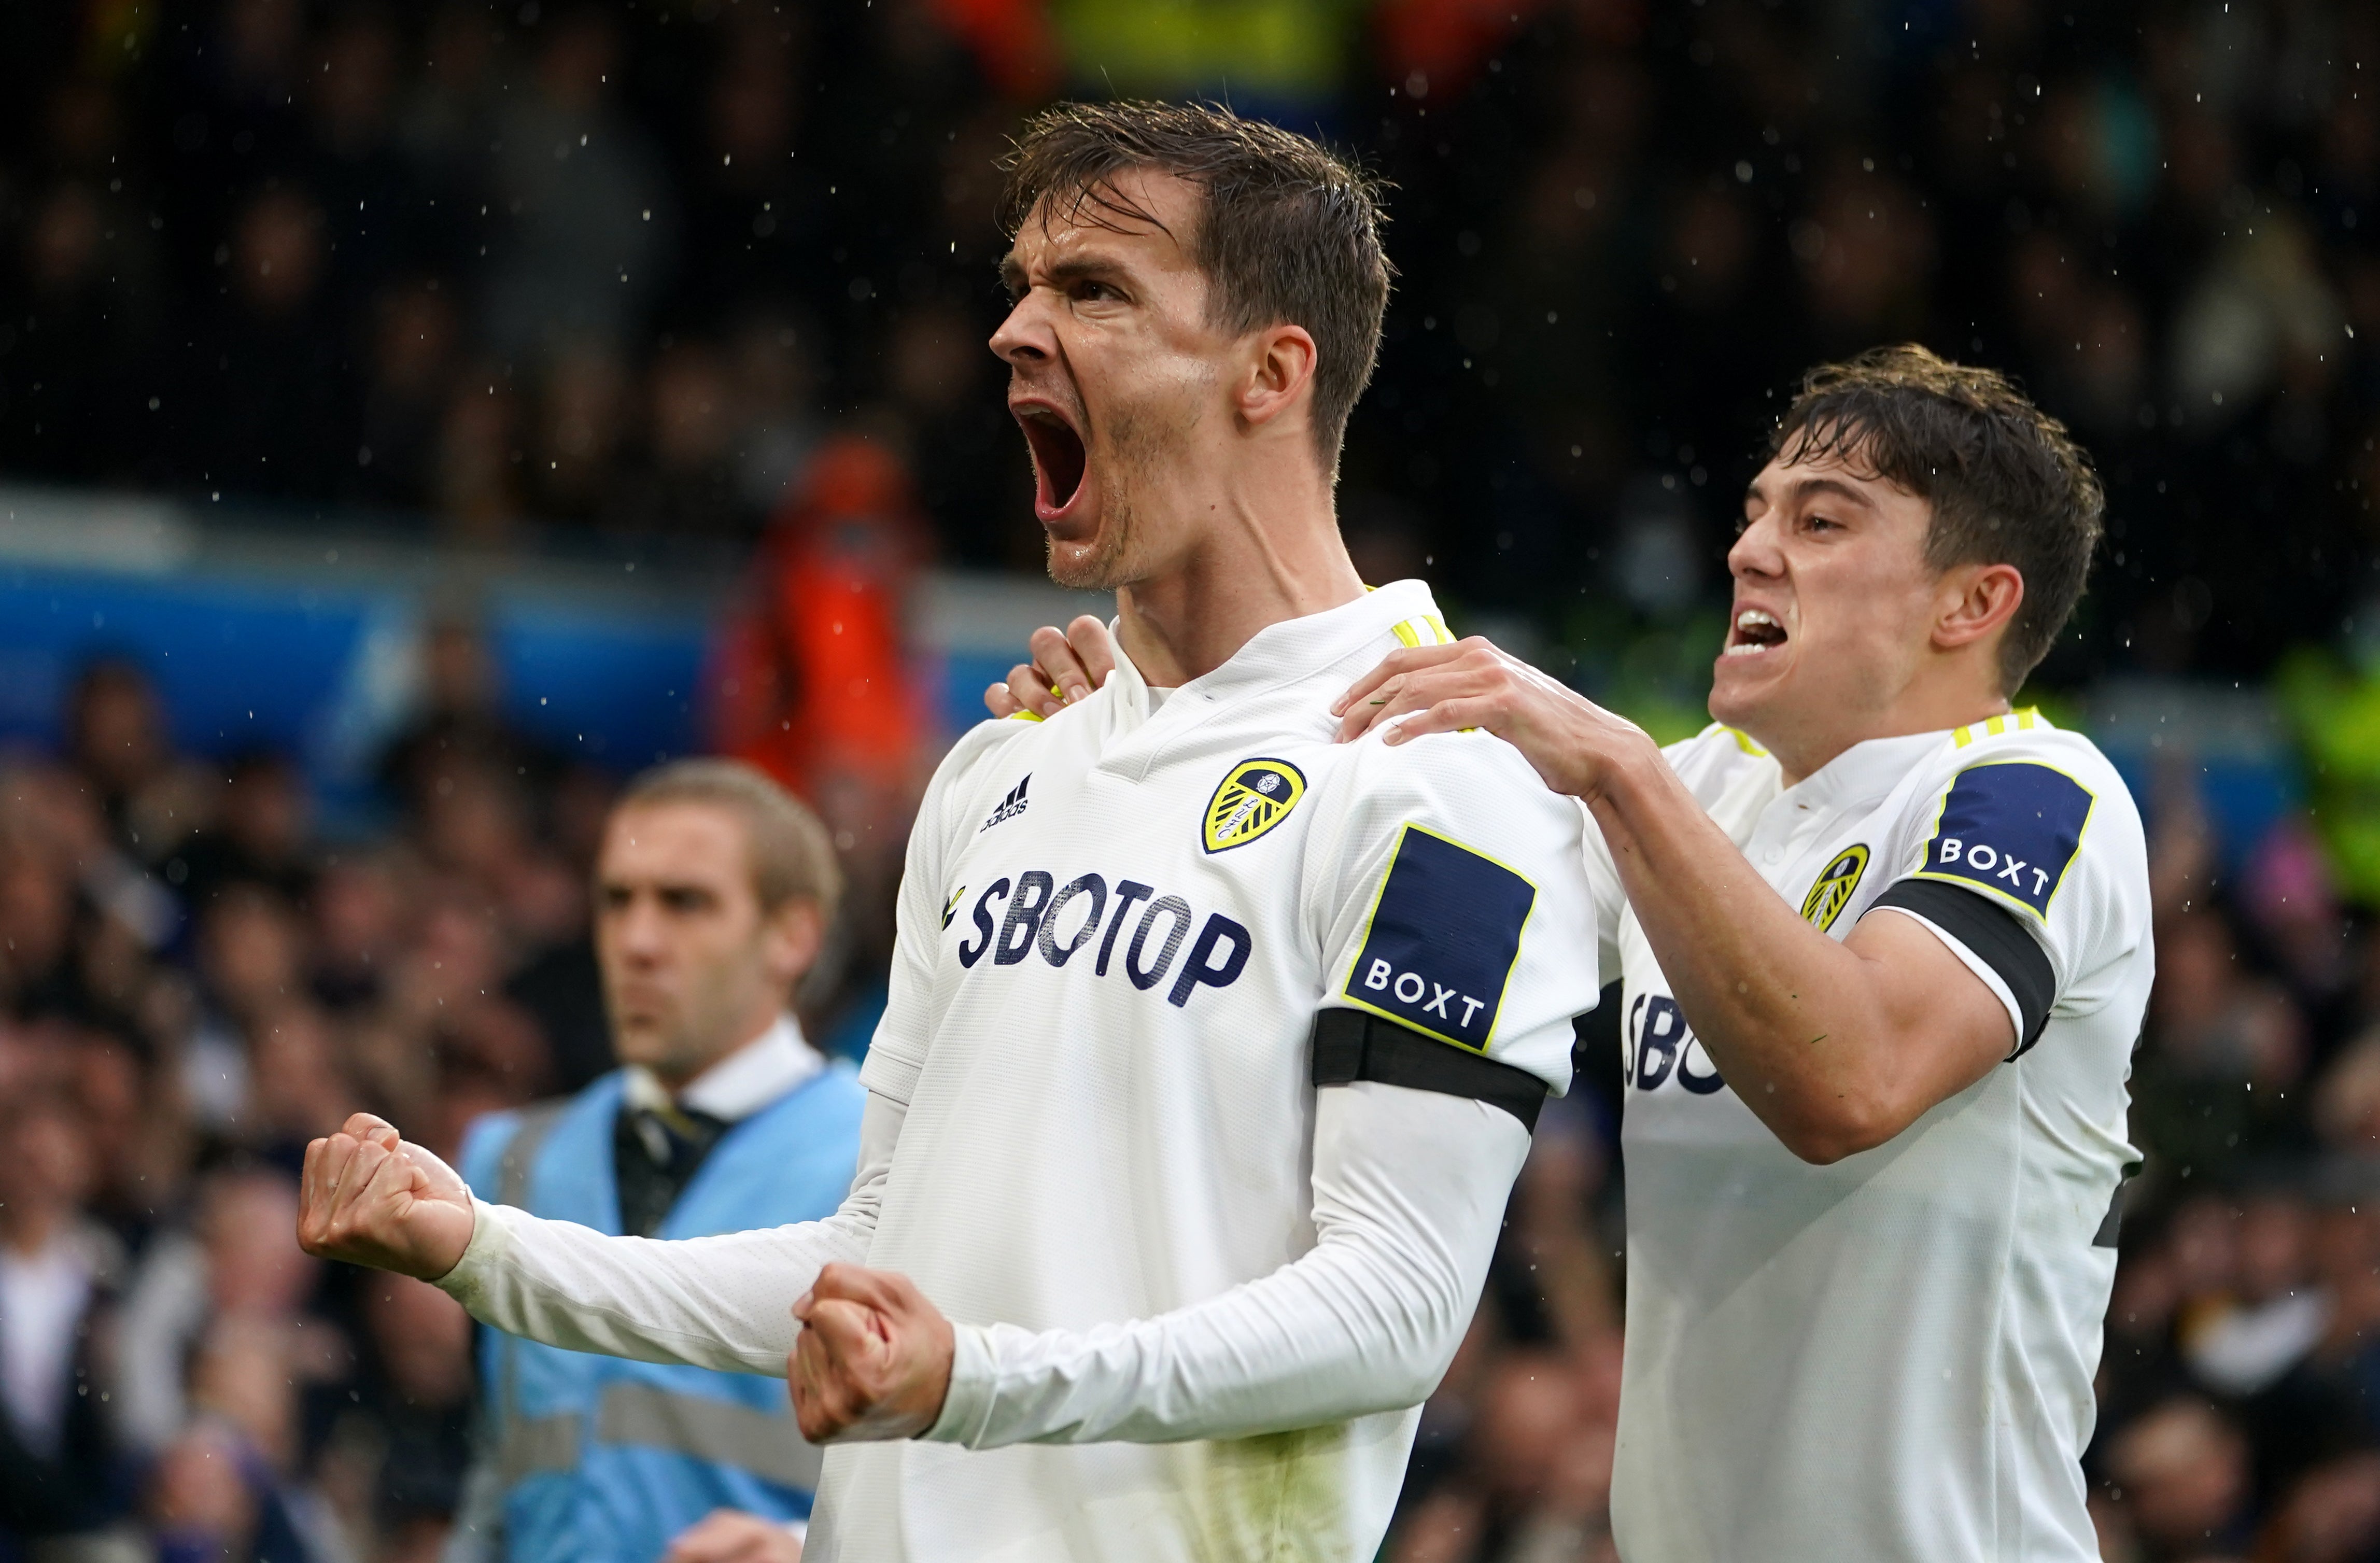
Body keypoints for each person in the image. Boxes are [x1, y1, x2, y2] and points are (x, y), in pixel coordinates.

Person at [295, 101, 1602, 1562]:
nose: (1015, 334)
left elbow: (1393, 1311)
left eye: (1095, 291)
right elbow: (875, 1251)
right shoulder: (998, 775)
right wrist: (483, 1250)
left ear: (1271, 373)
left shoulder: (1446, 785)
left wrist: (973, 1385)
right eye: (1022, 287)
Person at [1000, 346, 2152, 1562]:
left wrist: (1619, 767)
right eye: (1757, 511)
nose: (1751, 549)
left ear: (1972, 603)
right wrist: (1139, 738)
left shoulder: (2039, 792)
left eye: (1822, 521)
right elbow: (1335, 887)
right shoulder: (1717, 789)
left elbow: (1850, 1078)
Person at [443, 759, 864, 1563]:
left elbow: (968, 1485)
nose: (637, 942)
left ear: (793, 935)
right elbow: (499, 1481)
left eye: (685, 902)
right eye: (616, 901)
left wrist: (805, 1547)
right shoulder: (513, 1161)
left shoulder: (889, 1166)